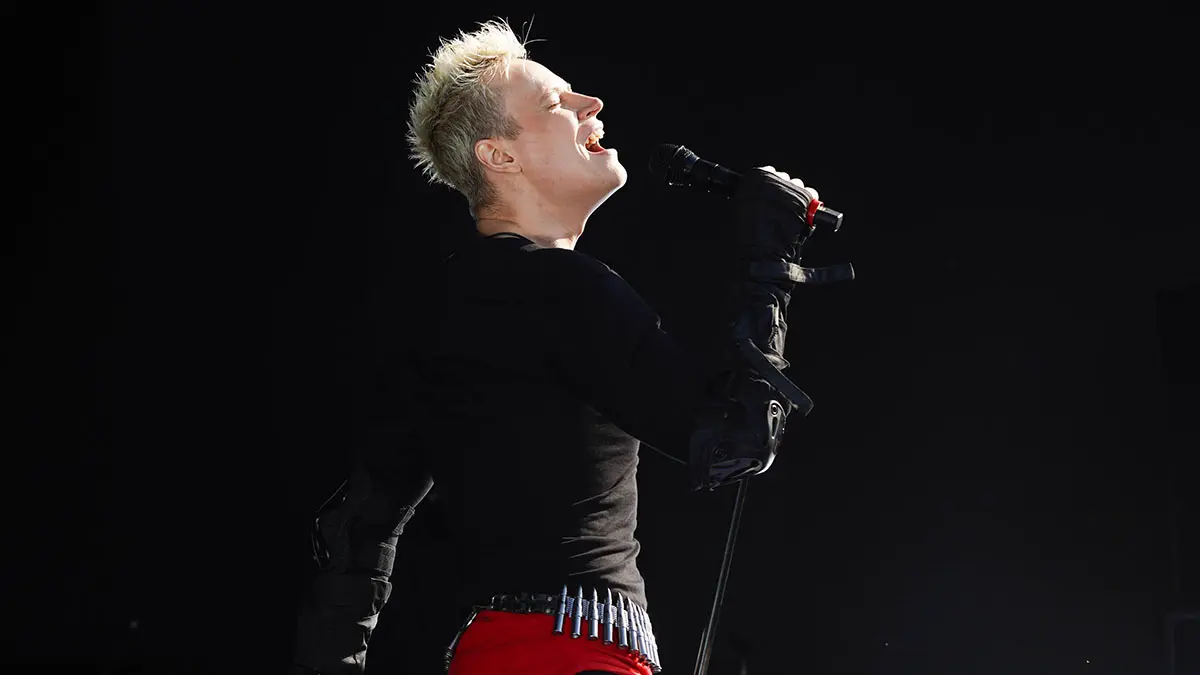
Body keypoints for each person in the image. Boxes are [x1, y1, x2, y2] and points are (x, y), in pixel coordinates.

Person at [289, 18, 846, 675]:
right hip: (581, 654)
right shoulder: (564, 288)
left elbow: (357, 526)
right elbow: (736, 441)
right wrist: (768, 261)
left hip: (487, 654)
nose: (592, 103)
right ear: (499, 156)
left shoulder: (436, 309)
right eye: (556, 101)